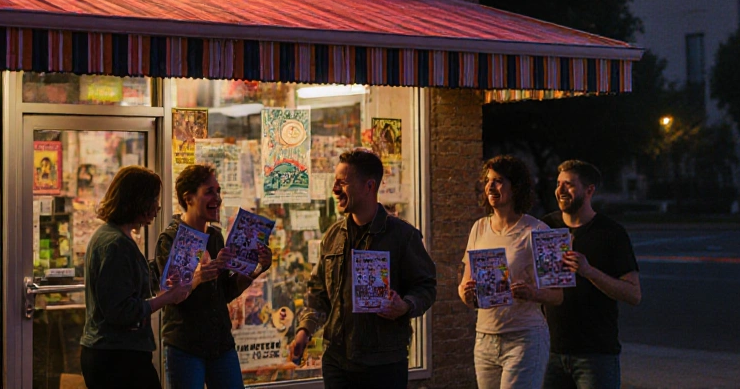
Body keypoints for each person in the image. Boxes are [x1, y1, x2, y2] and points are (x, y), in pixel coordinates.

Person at [290, 149, 437, 389]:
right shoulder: (333, 235)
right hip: (337, 360)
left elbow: (427, 286)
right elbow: (318, 292)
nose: (335, 189)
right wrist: (304, 331)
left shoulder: (403, 236)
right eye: (335, 182)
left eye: (342, 183)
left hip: (385, 363)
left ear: (369, 186)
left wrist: (405, 306)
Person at [155, 164, 273, 389]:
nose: (217, 198)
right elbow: (169, 296)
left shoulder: (215, 236)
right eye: (209, 191)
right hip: (186, 347)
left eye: (218, 191)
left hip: (220, 344)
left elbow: (226, 291)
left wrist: (257, 269)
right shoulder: (173, 238)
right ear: (188, 198)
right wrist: (199, 276)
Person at [81, 166, 193, 389]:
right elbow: (121, 311)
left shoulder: (112, 236)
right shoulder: (115, 244)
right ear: (137, 200)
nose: (158, 207)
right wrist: (167, 298)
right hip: (117, 357)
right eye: (153, 199)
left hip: (112, 353)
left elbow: (128, 285)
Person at [460, 155, 563, 389]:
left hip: (524, 338)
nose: (490, 187)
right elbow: (465, 283)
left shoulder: (539, 231)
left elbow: (558, 295)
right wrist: (465, 293)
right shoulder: (479, 227)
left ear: (516, 187)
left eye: (498, 181)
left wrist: (533, 293)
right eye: (487, 181)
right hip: (485, 337)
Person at [542, 160, 641, 389]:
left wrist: (589, 271)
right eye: (558, 184)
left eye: (569, 185)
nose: (560, 190)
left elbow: (634, 294)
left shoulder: (611, 233)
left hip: (595, 355)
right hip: (549, 351)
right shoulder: (545, 227)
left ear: (589, 190)